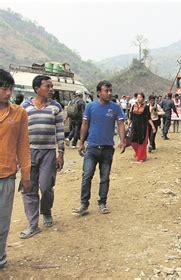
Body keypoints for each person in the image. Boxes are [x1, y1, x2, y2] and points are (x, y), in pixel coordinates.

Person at [20, 75, 65, 239]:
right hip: (29, 153)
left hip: (48, 153)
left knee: (46, 187)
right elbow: (20, 133)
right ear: (37, 89)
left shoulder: (56, 107)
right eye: (48, 86)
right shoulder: (24, 107)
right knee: (29, 189)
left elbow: (60, 131)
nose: (51, 89)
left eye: (51, 86)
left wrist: (61, 153)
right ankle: (33, 224)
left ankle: (46, 211)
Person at [74, 80, 126, 216]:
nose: (109, 93)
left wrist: (122, 140)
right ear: (98, 92)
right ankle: (84, 204)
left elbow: (120, 124)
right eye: (106, 91)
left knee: (105, 177)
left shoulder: (115, 108)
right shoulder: (90, 107)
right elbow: (85, 124)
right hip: (91, 148)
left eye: (110, 91)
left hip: (107, 149)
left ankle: (102, 203)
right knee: (87, 175)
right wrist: (81, 143)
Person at [0, 69, 31, 269]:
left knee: (2, 220)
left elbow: (23, 145)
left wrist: (26, 175)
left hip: (6, 175)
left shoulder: (19, 113)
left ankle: (0, 256)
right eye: (4, 88)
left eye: (10, 89)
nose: (8, 93)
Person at [128, 92, 155, 161]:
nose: (138, 99)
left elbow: (149, 118)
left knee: (142, 142)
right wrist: (127, 126)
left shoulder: (146, 107)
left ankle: (141, 157)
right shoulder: (133, 106)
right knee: (132, 141)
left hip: (143, 126)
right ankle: (137, 152)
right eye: (137, 97)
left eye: (140, 97)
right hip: (134, 126)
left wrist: (153, 126)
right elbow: (131, 117)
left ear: (143, 98)